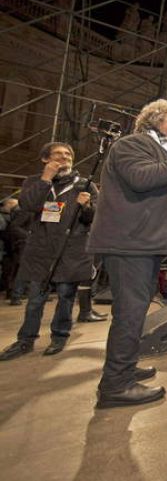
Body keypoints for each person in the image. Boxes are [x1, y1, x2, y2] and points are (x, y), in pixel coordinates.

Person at [87, 99, 167, 408]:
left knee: (133, 312)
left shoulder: (160, 153)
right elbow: (142, 179)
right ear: (155, 120)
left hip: (141, 244)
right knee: (129, 314)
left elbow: (154, 194)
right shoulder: (133, 144)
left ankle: (123, 369)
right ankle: (115, 385)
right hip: (130, 244)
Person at [0, 142, 99, 360]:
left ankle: (59, 336)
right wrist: (46, 179)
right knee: (35, 299)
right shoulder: (35, 182)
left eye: (68, 155)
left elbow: (93, 219)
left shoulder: (85, 185)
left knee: (65, 296)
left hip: (70, 250)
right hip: (41, 251)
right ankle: (25, 340)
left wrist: (87, 206)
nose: (64, 158)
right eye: (58, 154)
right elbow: (27, 205)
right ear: (45, 159)